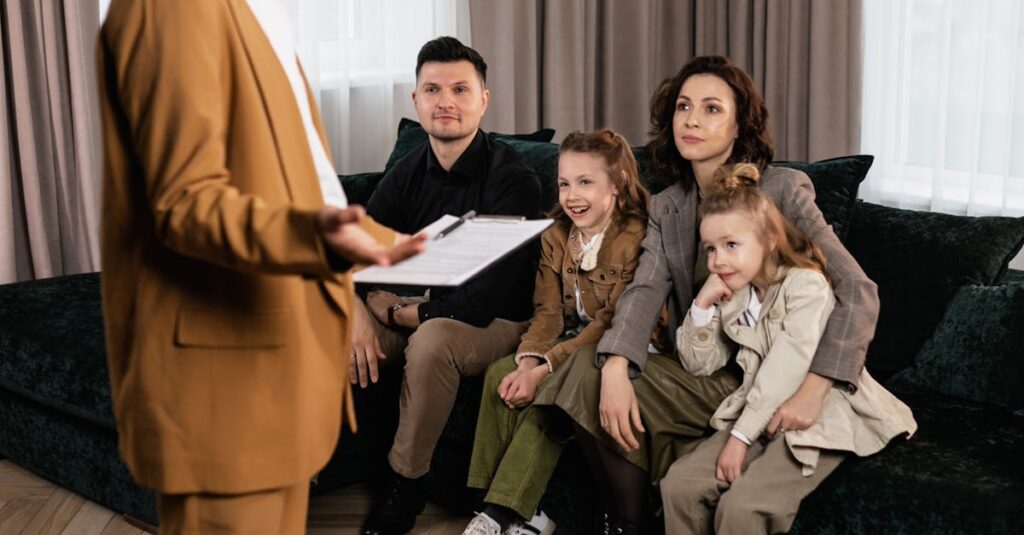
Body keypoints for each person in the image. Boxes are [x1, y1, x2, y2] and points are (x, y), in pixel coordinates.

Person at [97, 1, 424, 533]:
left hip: (275, 369)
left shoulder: (258, 14)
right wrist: (317, 237)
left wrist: (384, 243)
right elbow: (186, 203)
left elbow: (296, 183)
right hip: (225, 386)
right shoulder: (171, 9)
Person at [545, 56, 881, 534]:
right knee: (592, 367)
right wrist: (618, 362)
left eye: (711, 109)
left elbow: (858, 290)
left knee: (597, 371)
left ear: (740, 124)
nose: (693, 120)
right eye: (683, 107)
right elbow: (644, 290)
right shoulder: (668, 206)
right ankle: (625, 522)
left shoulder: (783, 190)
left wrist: (816, 387)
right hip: (704, 366)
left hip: (775, 374)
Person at [659, 163, 916, 533]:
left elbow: (787, 367)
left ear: (769, 241)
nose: (719, 260)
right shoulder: (736, 295)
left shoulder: (806, 286)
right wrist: (701, 306)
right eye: (711, 249)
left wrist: (740, 438)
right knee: (678, 486)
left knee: (742, 508)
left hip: (818, 415)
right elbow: (700, 364)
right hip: (758, 411)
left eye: (732, 245)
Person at [353, 36, 542, 535]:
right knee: (327, 328)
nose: (446, 102)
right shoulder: (407, 171)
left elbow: (485, 299)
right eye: (432, 89)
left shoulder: (513, 178)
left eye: (460, 89)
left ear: (484, 98)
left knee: (433, 342)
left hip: (497, 320)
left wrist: (395, 314)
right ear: (415, 101)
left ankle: (403, 488)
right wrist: (356, 314)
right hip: (413, 306)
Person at [462, 130, 650, 535]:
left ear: (616, 185)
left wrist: (543, 369)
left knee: (548, 392)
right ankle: (515, 512)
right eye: (564, 183)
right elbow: (547, 311)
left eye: (586, 182)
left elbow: (609, 322)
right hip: (570, 341)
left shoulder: (634, 237)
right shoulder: (555, 235)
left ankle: (502, 511)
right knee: (500, 375)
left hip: (613, 343)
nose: (572, 195)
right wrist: (529, 358)